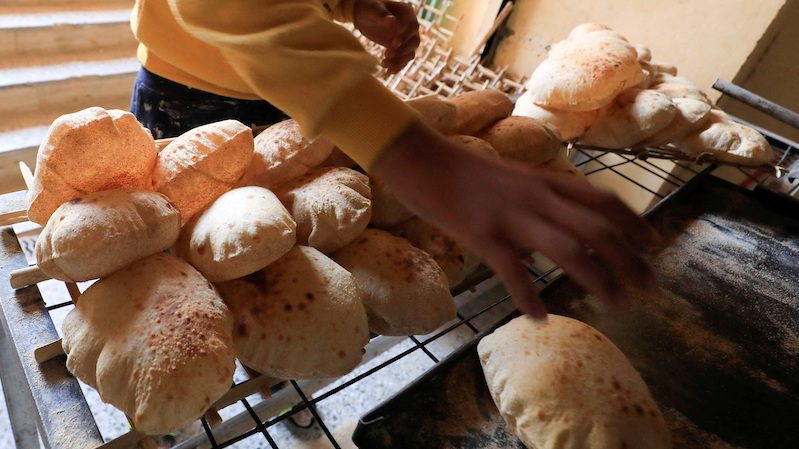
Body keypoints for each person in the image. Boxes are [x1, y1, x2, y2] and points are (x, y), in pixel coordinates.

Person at [130, 0, 658, 319]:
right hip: (189, 91)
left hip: (295, 87)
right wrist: (415, 154)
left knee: (267, 261)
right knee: (190, 258)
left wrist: (350, 4)